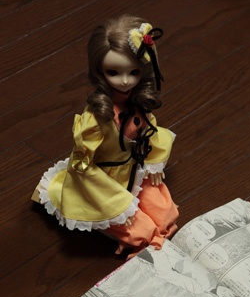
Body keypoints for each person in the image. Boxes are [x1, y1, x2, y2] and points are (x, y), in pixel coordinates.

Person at [37, 14, 178, 256]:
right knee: (142, 232)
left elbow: (150, 131)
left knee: (166, 215)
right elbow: (83, 165)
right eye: (113, 72)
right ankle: (140, 236)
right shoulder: (96, 118)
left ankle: (155, 234)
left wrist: (153, 161)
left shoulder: (138, 101)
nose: (124, 81)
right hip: (102, 181)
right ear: (100, 70)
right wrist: (114, 201)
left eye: (134, 72)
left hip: (134, 170)